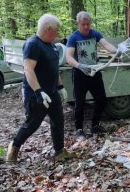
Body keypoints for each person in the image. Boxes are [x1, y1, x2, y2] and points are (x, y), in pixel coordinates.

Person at [6, 14, 71, 163]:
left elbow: (54, 68)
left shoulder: (51, 44)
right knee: (33, 124)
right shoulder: (33, 44)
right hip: (36, 93)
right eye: (56, 30)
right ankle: (14, 147)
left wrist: (60, 86)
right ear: (48, 29)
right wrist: (38, 92)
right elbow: (28, 70)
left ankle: (60, 151)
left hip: (52, 92)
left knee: (58, 121)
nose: (58, 33)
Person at [65, 12, 117, 138]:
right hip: (80, 73)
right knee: (80, 103)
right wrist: (79, 65)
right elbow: (68, 57)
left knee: (102, 100)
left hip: (94, 72)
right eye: (83, 24)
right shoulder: (73, 37)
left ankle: (95, 125)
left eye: (88, 24)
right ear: (78, 23)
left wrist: (116, 51)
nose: (86, 27)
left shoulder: (95, 33)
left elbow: (106, 44)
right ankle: (79, 130)